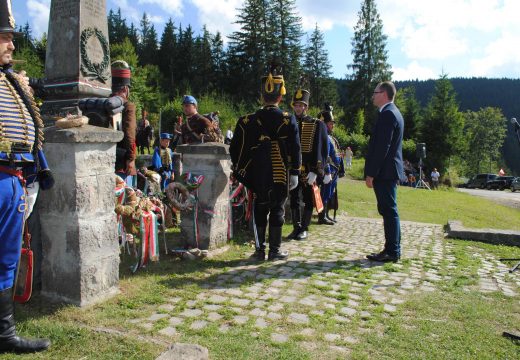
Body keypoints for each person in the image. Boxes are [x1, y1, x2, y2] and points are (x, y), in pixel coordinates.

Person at [0, 1, 53, 352]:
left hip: (13, 180)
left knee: (6, 257)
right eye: (5, 37)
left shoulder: (11, 81)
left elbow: (52, 93)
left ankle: (4, 334)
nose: (12, 45)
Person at [230, 66, 301, 261]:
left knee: (259, 207)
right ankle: (275, 250)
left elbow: (234, 149)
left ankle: (260, 250)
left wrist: (241, 170)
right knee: (277, 207)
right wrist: (295, 171)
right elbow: (295, 148)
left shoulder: (246, 121)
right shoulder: (288, 119)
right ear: (280, 96)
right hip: (279, 170)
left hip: (256, 172)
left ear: (262, 95)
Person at [364, 81, 404, 263]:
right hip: (388, 171)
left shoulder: (388, 114)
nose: (373, 96)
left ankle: (392, 251)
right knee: (389, 210)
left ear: (384, 94)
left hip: (385, 172)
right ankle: (393, 248)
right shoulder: (392, 112)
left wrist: (371, 172)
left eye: (375, 92)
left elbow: (382, 147)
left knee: (389, 210)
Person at [286, 84, 329, 240]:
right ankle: (296, 227)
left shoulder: (317, 124)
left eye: (301, 105)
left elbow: (321, 148)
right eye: (296, 105)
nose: (298, 108)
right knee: (294, 198)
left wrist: (317, 170)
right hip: (293, 168)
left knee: (308, 198)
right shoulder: (288, 123)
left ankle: (304, 227)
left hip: (308, 169)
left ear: (306, 107)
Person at [112, 60, 137, 188]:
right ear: (126, 89)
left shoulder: (102, 102)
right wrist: (131, 158)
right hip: (122, 163)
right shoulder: (128, 105)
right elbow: (129, 133)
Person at [318, 104, 343, 225]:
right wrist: (328, 171)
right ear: (324, 124)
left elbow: (336, 153)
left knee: (328, 194)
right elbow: (326, 157)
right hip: (329, 171)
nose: (332, 125)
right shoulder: (325, 138)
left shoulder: (331, 137)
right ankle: (322, 216)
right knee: (324, 194)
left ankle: (326, 214)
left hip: (334, 171)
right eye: (330, 123)